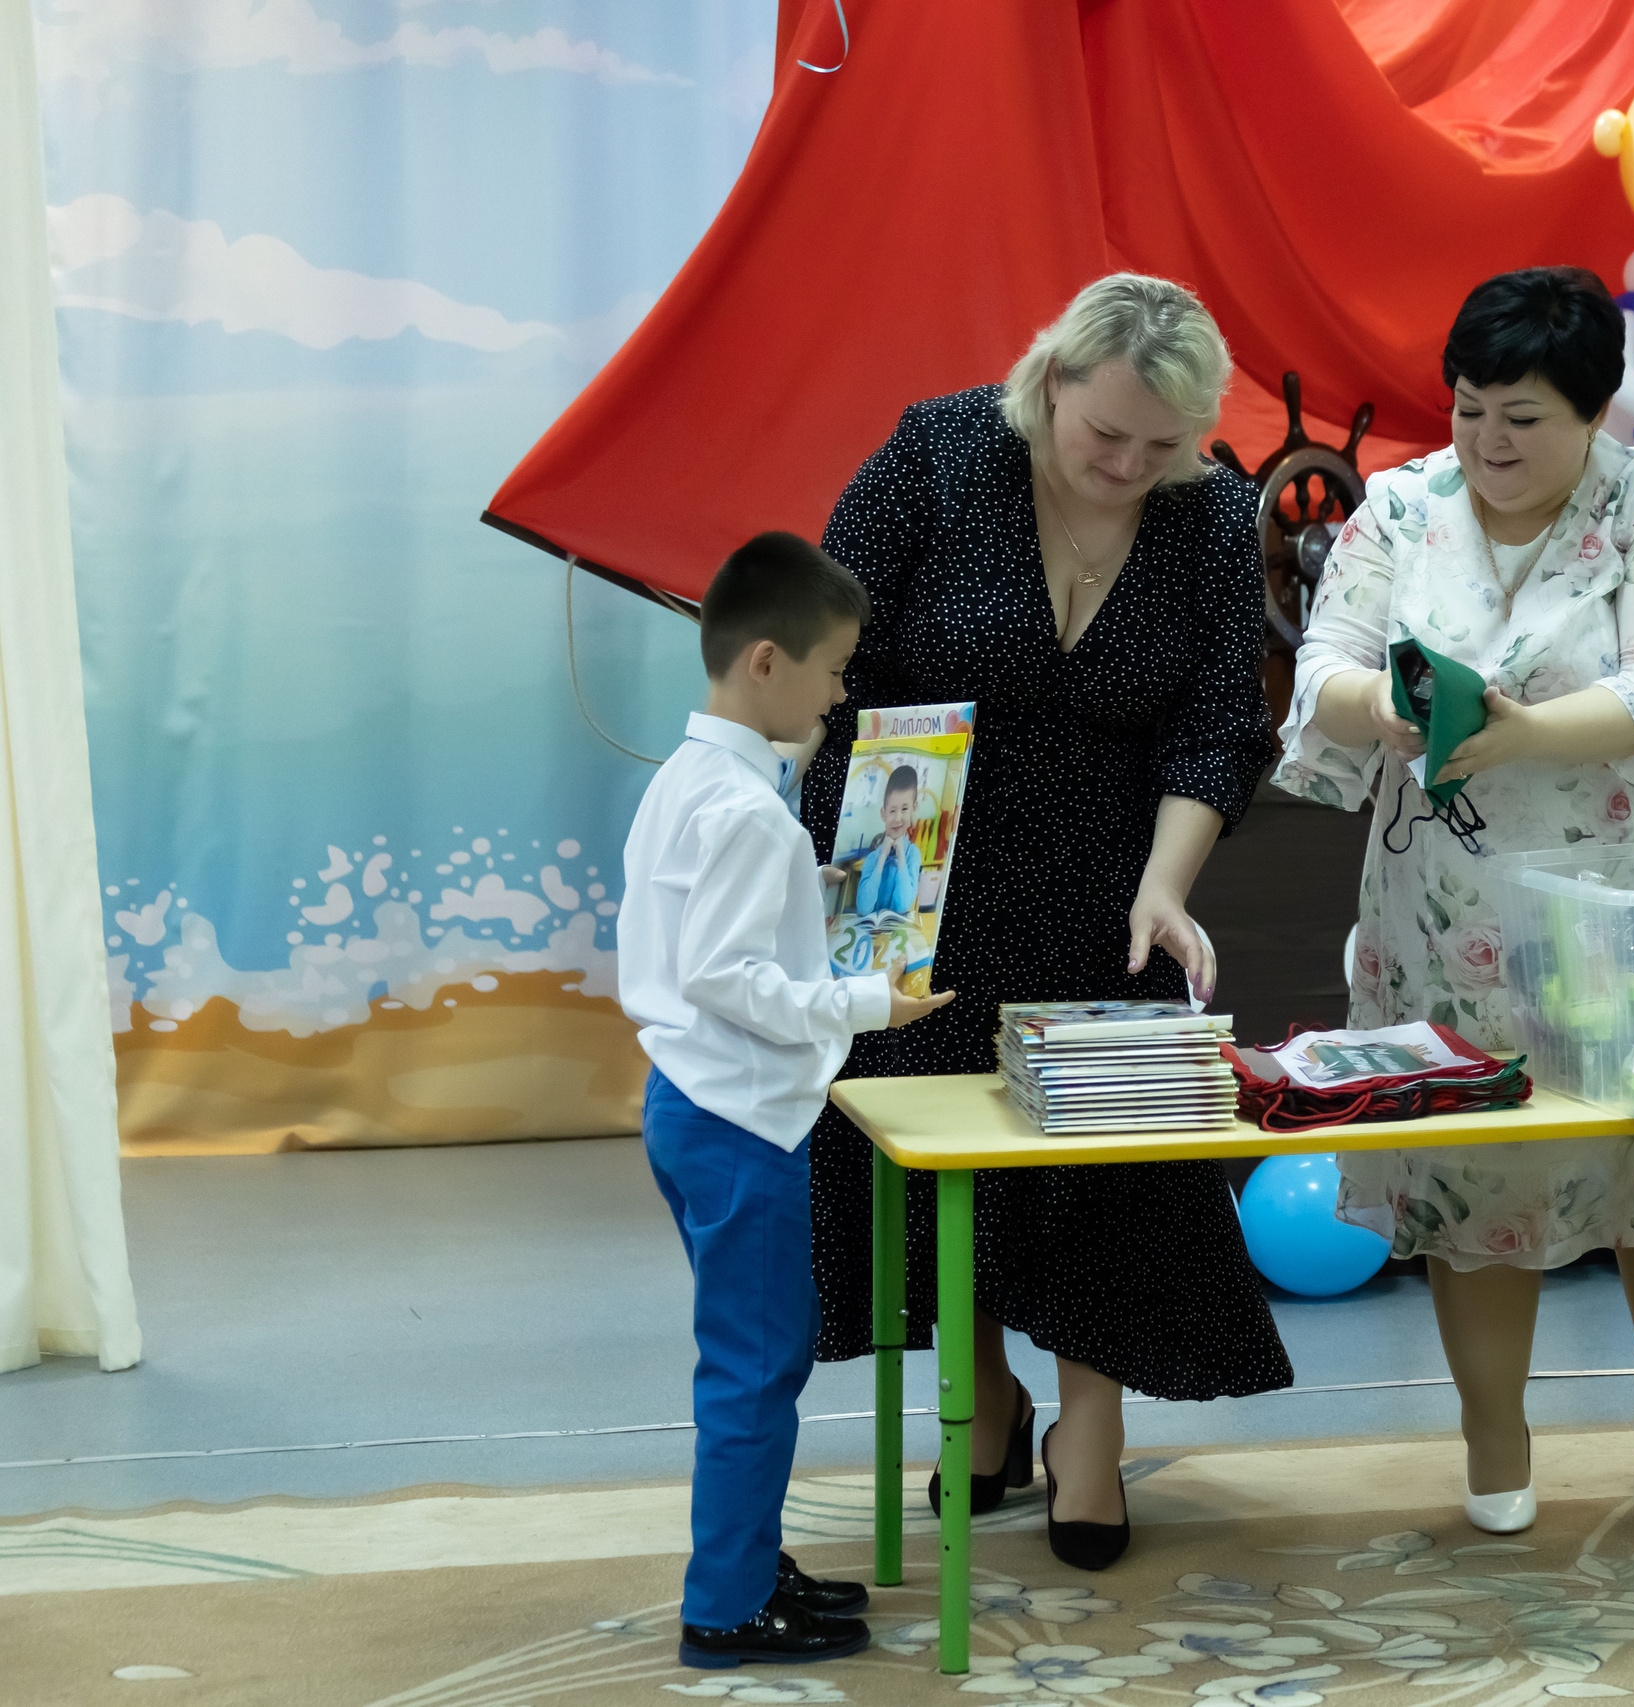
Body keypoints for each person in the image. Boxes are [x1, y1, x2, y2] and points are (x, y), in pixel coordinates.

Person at [1275, 266, 1634, 1532]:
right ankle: (1493, 1441)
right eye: (1468, 411)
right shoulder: (1397, 504)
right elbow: (1323, 671)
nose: (1490, 444)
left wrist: (1515, 735)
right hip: (1451, 907)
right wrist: (1388, 709)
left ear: (1597, 412)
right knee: (1475, 1170)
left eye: (1524, 419)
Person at [796, 273, 1290, 1571]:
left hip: (1107, 876)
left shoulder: (1210, 513)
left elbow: (1218, 722)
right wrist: (834, 855)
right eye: (1104, 435)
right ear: (1051, 383)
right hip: (914, 850)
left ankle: (1089, 1426)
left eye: (1162, 444)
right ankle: (986, 1393)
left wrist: (1168, 882)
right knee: (933, 1141)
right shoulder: (940, 451)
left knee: (1107, 1152)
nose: (1130, 465)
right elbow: (824, 639)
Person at [617, 532, 957, 1667]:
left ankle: (753, 1565)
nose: (844, 692)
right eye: (834, 669)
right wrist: (868, 1004)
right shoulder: (749, 809)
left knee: (760, 1351)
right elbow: (726, 975)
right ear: (767, 662)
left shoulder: (692, 780)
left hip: (694, 1107)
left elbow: (707, 937)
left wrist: (810, 894)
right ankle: (725, 1608)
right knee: (757, 1367)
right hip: (737, 1121)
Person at [847, 764, 923, 918]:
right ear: (884, 813)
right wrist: (881, 859)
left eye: (905, 809)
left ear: (914, 808)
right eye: (892, 810)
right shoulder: (873, 858)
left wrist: (901, 856)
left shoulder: (913, 854)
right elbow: (864, 908)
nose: (897, 818)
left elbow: (902, 906)